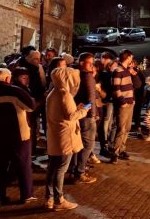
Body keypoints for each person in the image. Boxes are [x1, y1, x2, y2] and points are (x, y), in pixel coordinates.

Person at [0, 68, 36, 206]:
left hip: (0, 135)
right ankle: (26, 195)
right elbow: (30, 106)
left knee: (0, 166)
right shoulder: (15, 91)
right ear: (8, 79)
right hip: (20, 135)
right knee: (23, 165)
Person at [45, 66, 89, 211]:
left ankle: (49, 198)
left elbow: (64, 112)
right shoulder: (65, 94)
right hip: (65, 137)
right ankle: (59, 200)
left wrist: (76, 108)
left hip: (55, 136)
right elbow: (71, 116)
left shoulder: (53, 92)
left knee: (52, 168)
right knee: (61, 169)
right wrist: (84, 110)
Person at [68, 53, 98, 183]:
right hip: (86, 114)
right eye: (89, 63)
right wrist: (92, 113)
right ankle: (80, 171)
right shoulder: (87, 76)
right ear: (81, 63)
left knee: (77, 143)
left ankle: (75, 168)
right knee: (88, 144)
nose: (92, 66)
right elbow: (91, 97)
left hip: (77, 111)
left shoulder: (74, 74)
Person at [110, 50, 141, 164]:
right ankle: (115, 152)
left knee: (127, 128)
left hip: (130, 103)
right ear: (127, 57)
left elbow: (137, 85)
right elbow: (116, 88)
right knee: (121, 128)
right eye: (131, 58)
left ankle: (122, 149)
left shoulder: (127, 71)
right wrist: (122, 102)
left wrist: (134, 73)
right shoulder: (117, 70)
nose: (131, 60)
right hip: (123, 104)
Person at [98, 52, 116, 158]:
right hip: (106, 100)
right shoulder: (104, 74)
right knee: (105, 122)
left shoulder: (108, 74)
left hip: (109, 100)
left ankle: (106, 143)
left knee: (108, 123)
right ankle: (104, 143)